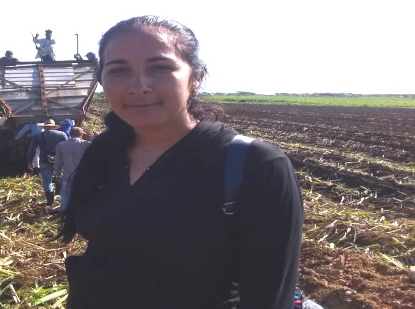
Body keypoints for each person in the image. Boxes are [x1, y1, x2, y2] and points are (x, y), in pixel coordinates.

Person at [57, 16, 303, 308]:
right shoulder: (105, 151)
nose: (138, 86)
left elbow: (270, 297)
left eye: (159, 67)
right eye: (118, 70)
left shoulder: (255, 165)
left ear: (195, 77)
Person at [27, 119, 67, 206]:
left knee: (47, 181)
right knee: (60, 177)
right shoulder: (62, 134)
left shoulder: (38, 135)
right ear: (54, 127)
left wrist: (30, 161)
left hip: (44, 160)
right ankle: (58, 197)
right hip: (59, 160)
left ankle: (50, 201)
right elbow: (66, 148)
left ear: (44, 127)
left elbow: (32, 150)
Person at [53, 127, 90, 213]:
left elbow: (58, 160)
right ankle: (79, 211)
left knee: (65, 194)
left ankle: (63, 211)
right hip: (82, 174)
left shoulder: (61, 145)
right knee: (81, 192)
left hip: (67, 174)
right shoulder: (86, 144)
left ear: (70, 133)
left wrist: (57, 170)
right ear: (81, 134)